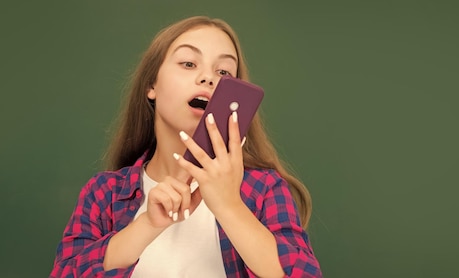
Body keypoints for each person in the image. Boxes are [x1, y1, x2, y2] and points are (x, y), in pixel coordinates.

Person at [50, 15, 322, 278]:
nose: (208, 78)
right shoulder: (104, 194)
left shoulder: (264, 189)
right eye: (189, 63)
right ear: (151, 85)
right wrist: (145, 225)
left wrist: (230, 206)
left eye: (224, 71)